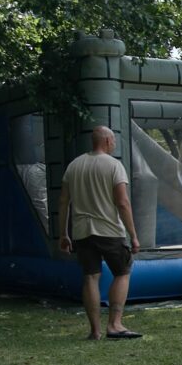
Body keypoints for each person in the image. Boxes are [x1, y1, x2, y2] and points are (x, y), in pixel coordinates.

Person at [58, 126, 142, 340]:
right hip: (109, 229)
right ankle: (114, 324)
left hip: (81, 231)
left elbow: (64, 202)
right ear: (106, 141)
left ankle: (95, 330)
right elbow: (122, 203)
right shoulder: (114, 166)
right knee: (123, 272)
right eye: (113, 141)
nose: (114, 144)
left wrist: (63, 234)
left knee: (90, 277)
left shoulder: (74, 166)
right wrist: (133, 234)